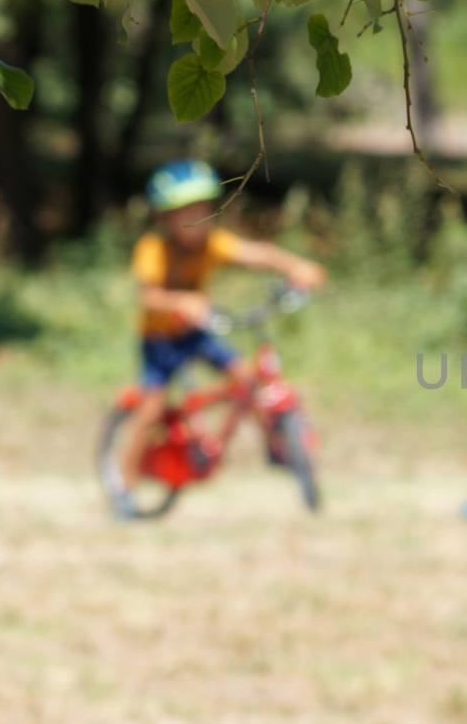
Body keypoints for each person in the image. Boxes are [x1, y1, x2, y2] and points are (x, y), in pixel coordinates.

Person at [109, 159, 326, 519]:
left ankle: (277, 447)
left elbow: (259, 254)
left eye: (203, 209)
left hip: (195, 334)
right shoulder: (153, 249)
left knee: (247, 378)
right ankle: (124, 490)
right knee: (150, 410)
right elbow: (147, 296)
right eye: (187, 212)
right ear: (165, 217)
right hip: (160, 341)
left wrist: (296, 267)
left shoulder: (213, 244)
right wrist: (181, 301)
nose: (198, 218)